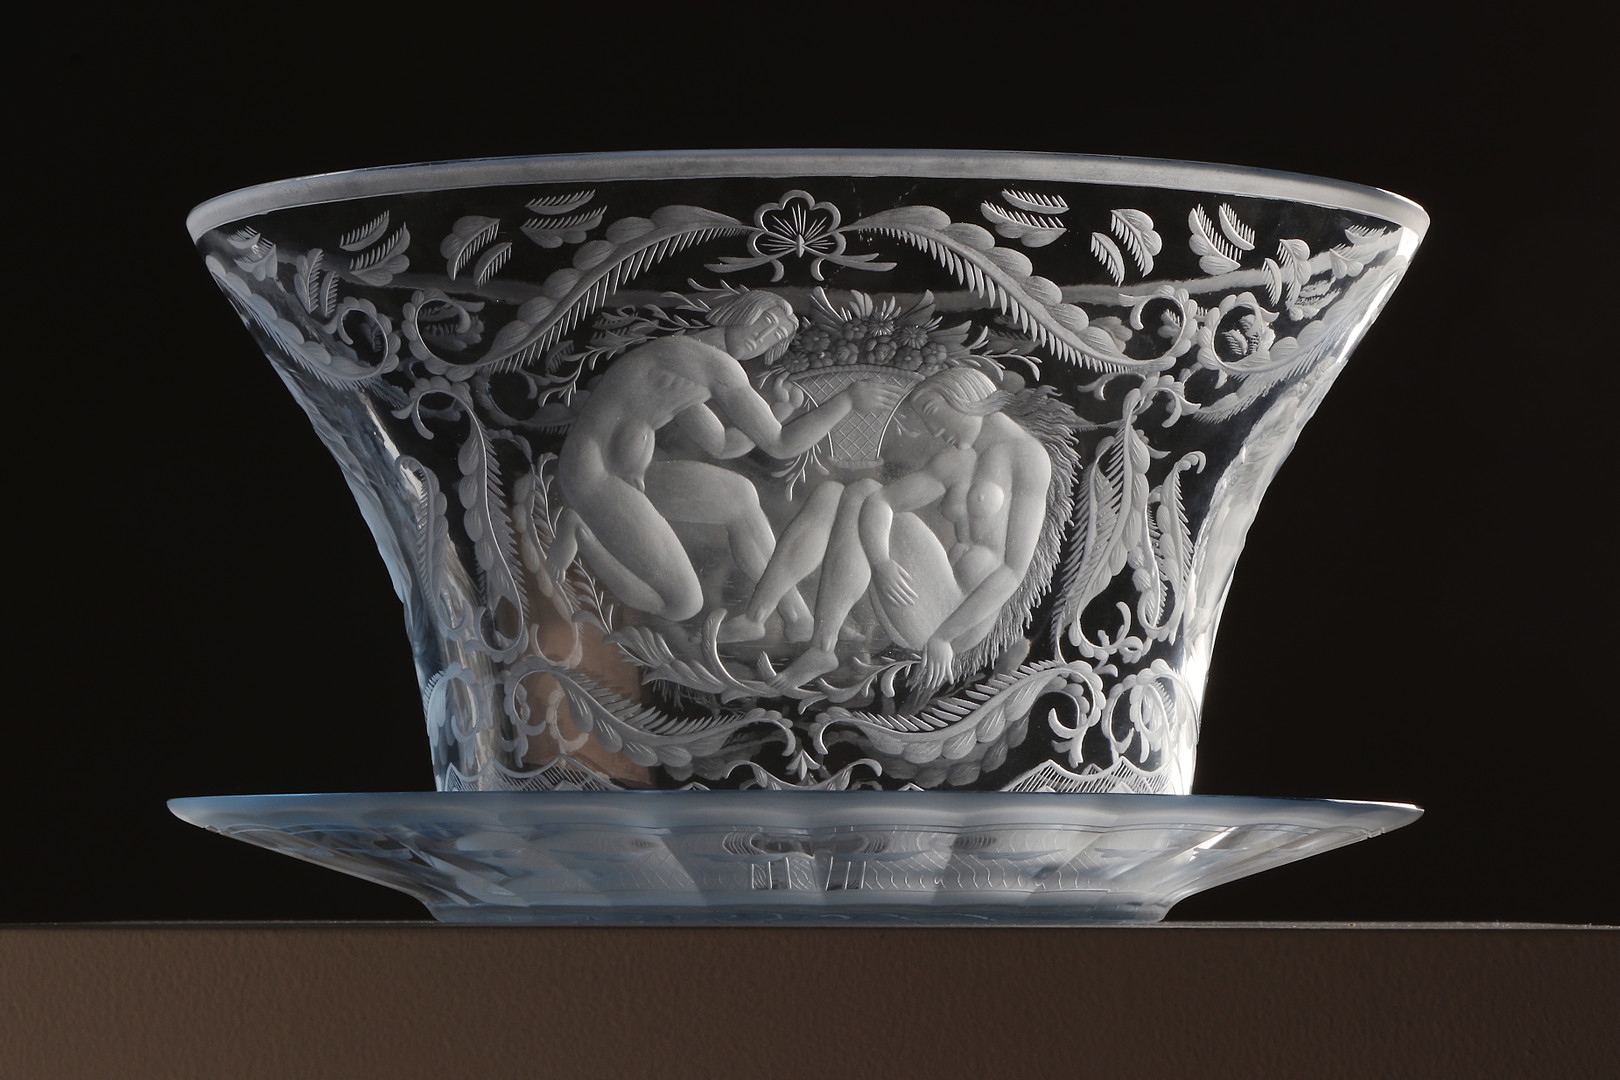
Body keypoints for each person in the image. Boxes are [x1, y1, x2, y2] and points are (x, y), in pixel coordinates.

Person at [548, 290, 905, 625]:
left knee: (741, 497)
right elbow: (780, 445)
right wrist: (847, 400)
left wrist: (780, 410)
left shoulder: (684, 363)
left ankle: (796, 618)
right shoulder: (714, 365)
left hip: (624, 475)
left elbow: (722, 445)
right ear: (740, 311)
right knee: (683, 604)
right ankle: (580, 532)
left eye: (775, 336)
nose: (762, 338)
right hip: (592, 475)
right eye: (764, 321)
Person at [730, 366, 1055, 694]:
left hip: (955, 623)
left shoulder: (1027, 456)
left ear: (965, 397)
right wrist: (881, 562)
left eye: (932, 412)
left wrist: (944, 637)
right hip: (913, 594)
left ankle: (821, 647)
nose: (934, 431)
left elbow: (1013, 570)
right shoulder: (960, 459)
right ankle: (778, 624)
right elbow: (882, 502)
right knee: (832, 494)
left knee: (862, 493)